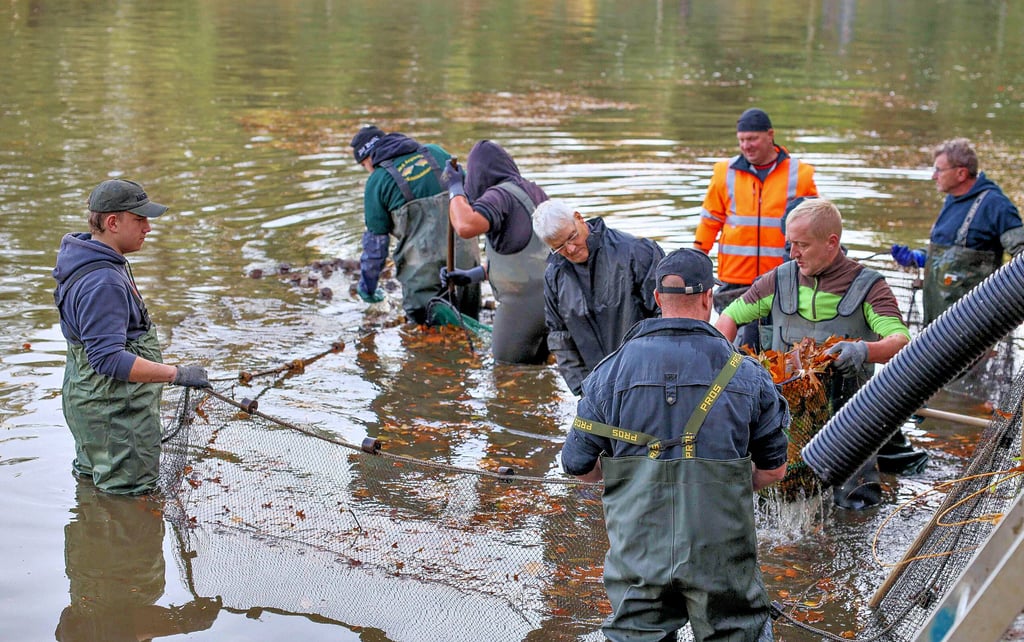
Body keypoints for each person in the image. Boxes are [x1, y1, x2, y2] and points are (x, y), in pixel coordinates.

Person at [561, 248, 790, 642]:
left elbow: (577, 465)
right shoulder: (748, 375)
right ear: (709, 298)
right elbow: (774, 470)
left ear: (655, 299)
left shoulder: (607, 373)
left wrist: (630, 480)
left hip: (638, 557)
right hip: (720, 560)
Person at [716, 198, 927, 509]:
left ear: (832, 243)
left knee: (856, 507)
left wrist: (864, 350)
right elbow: (729, 317)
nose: (793, 253)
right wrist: (723, 363)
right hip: (789, 416)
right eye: (790, 244)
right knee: (771, 499)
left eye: (802, 245)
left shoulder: (869, 287)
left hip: (851, 417)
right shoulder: (778, 279)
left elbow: (901, 342)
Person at [52, 179, 210, 495]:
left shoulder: (83, 257)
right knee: (129, 501)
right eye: (139, 220)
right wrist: (176, 374)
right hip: (115, 417)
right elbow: (108, 359)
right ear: (113, 222)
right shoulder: (104, 281)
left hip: (88, 406)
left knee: (94, 488)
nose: (148, 228)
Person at [694, 107, 818, 348]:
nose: (746, 146)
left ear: (770, 135)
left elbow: (815, 224)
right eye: (741, 140)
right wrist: (698, 257)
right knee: (735, 346)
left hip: (780, 277)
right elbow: (710, 220)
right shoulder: (724, 173)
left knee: (777, 343)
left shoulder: (800, 174)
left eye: (752, 139)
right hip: (734, 280)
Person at [350, 125, 481, 325]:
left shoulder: (377, 181)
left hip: (421, 275)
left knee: (424, 338)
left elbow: (375, 247)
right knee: (471, 327)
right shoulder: (435, 152)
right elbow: (474, 196)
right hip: (465, 262)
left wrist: (368, 287)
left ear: (367, 159)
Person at [532, 199, 664, 396]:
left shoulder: (636, 253)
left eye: (572, 237)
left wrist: (654, 376)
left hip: (648, 379)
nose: (570, 249)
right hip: (595, 388)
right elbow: (560, 337)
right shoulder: (554, 275)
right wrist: (582, 389)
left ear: (579, 218)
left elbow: (665, 314)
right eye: (558, 247)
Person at [891, 138, 1024, 325]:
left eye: (938, 170)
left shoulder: (996, 205)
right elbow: (949, 253)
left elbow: (1021, 258)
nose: (933, 176)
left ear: (961, 173)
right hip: (937, 321)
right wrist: (920, 257)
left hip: (976, 325)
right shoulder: (952, 200)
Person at [440, 140, 550, 364]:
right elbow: (525, 255)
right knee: (537, 372)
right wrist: (472, 275)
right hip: (553, 299)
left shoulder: (499, 195)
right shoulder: (534, 192)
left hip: (520, 307)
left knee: (505, 373)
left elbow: (465, 226)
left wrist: (455, 189)